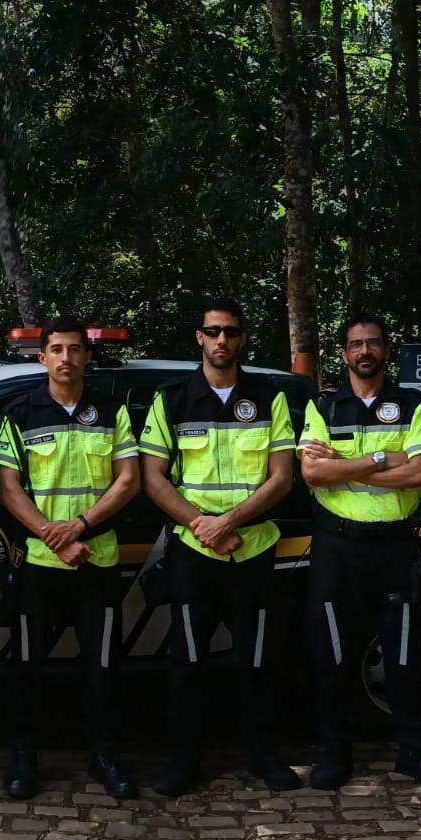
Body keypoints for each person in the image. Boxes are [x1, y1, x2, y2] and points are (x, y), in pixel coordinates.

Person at [138, 299, 301, 796]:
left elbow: (281, 477)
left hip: (252, 550)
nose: (222, 340)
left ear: (242, 338)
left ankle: (264, 757)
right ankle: (184, 761)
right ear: (200, 338)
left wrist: (228, 522)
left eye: (231, 331)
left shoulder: (268, 397)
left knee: (258, 660)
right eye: (213, 332)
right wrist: (202, 526)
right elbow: (152, 478)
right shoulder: (172, 400)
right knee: (187, 662)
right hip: (194, 553)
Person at [297, 313, 421, 792]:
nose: (364, 351)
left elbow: (420, 475)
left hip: (394, 548)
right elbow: (312, 476)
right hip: (336, 548)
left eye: (373, 343)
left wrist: (347, 466)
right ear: (343, 354)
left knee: (403, 655)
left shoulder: (412, 403)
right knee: (333, 656)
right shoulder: (322, 406)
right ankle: (335, 757)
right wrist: (385, 458)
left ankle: (414, 754)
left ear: (386, 351)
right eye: (355, 344)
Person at [0, 317, 142, 799]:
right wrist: (52, 536)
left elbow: (128, 481)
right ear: (42, 358)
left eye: (74, 349)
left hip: (97, 559)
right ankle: (24, 760)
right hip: (40, 562)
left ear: (86, 357)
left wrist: (79, 528)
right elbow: (8, 486)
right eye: (55, 349)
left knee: (102, 668)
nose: (65, 358)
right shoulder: (21, 413)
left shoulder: (112, 411)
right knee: (27, 667)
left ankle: (106, 757)